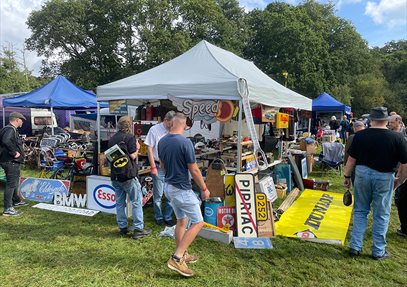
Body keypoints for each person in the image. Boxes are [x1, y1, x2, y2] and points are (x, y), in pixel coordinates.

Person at [344, 107, 407, 260]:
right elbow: (405, 164)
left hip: (362, 174)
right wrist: (400, 181)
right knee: (381, 214)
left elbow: (351, 159)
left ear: (371, 120)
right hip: (385, 176)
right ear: (387, 121)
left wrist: (346, 176)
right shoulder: (397, 138)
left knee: (360, 210)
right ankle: (378, 250)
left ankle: (355, 245)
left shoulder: (360, 136)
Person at [158, 113, 210, 277]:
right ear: (186, 125)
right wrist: (204, 188)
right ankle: (177, 257)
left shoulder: (162, 141)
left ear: (172, 123)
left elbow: (162, 165)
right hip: (181, 189)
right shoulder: (186, 142)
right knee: (198, 222)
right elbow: (194, 170)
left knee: (182, 221)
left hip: (169, 186)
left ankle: (183, 253)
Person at [108, 116, 152, 239]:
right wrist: (137, 148)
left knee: (120, 203)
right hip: (128, 175)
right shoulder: (130, 138)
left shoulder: (112, 139)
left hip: (115, 176)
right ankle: (138, 229)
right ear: (129, 126)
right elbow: (132, 156)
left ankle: (122, 228)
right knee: (136, 202)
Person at [145, 111, 175, 226]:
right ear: (166, 120)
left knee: (170, 193)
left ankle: (168, 216)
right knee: (158, 194)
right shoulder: (154, 130)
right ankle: (158, 216)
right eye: (171, 123)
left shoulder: (173, 130)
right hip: (158, 165)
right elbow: (149, 149)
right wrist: (153, 167)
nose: (172, 126)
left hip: (171, 166)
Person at [0, 112, 29, 216]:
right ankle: (8, 208)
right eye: (22, 120)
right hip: (10, 161)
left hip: (9, 161)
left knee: (15, 181)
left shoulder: (7, 129)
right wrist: (14, 152)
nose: (22, 122)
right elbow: (6, 141)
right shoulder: (10, 129)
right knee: (11, 184)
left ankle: (16, 200)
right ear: (17, 120)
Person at [388, 114, 407, 237]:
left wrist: (400, 175)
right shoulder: (388, 134)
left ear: (398, 122)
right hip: (392, 168)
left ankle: (405, 227)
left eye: (391, 121)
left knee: (402, 199)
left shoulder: (403, 136)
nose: (389, 123)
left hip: (402, 169)